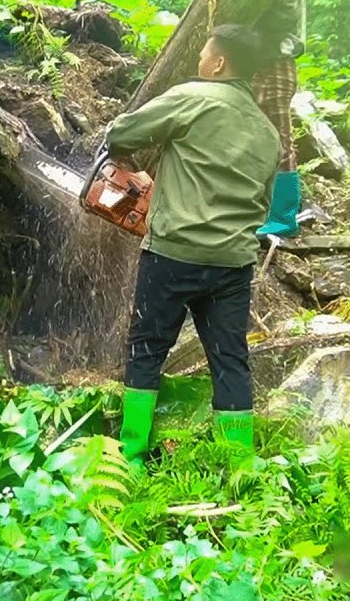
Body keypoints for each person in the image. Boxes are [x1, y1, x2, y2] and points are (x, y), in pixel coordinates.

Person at [106, 24, 280, 471]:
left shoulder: (193, 97)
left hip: (172, 253)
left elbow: (122, 135)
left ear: (219, 62)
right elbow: (262, 204)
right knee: (230, 361)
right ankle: (239, 468)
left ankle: (130, 461)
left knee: (146, 350)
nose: (200, 60)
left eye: (204, 53)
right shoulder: (267, 132)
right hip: (233, 263)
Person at [224, 0, 305, 238]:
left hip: (274, 66)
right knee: (254, 138)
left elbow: (277, 20)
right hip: (263, 65)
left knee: (277, 140)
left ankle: (284, 217)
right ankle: (258, 211)